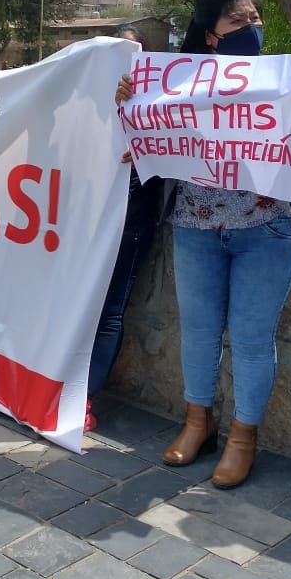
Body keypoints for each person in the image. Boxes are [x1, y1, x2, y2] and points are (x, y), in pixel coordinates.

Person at [116, 0, 291, 489]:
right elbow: (141, 143)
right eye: (239, 20)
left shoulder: (285, 81)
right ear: (210, 34)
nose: (252, 28)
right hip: (195, 223)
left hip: (268, 228)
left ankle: (242, 438)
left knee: (253, 339)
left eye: (256, 20)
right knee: (199, 330)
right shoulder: (172, 83)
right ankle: (198, 422)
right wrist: (129, 105)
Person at [86, 28, 163, 432]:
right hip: (87, 219)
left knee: (110, 310)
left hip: (131, 218)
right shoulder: (88, 101)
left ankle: (84, 398)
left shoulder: (162, 100)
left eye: (133, 51)